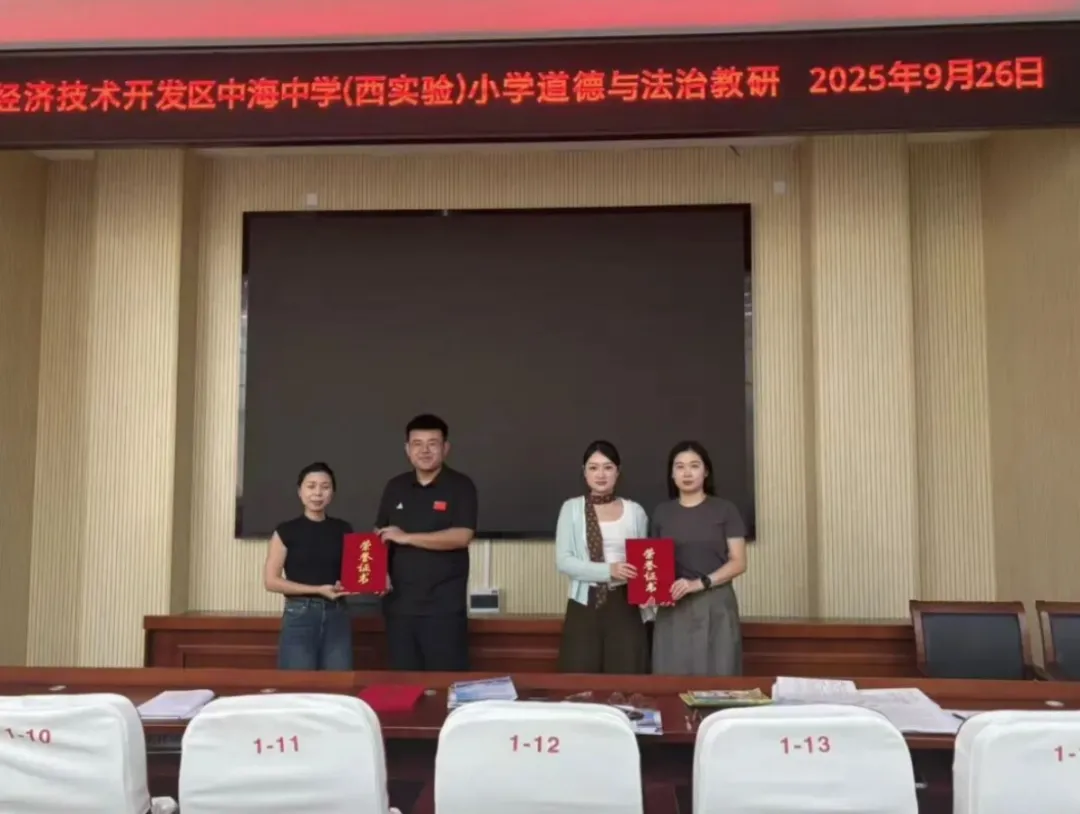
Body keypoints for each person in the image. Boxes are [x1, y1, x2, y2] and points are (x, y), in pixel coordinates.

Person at [375, 414, 478, 671]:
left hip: (443, 608)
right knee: (403, 682)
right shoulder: (395, 486)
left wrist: (407, 537)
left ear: (446, 448)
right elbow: (380, 533)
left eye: (432, 443)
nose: (424, 450)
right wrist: (378, 572)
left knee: (444, 682)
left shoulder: (461, 486)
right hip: (399, 606)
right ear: (407, 449)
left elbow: (462, 536)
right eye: (417, 444)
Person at [650, 441, 748, 676]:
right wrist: (650, 593)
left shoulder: (725, 510)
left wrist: (699, 583)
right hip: (674, 605)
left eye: (694, 466)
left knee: (718, 675)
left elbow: (739, 562)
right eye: (680, 466)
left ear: (706, 472)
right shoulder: (662, 513)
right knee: (671, 675)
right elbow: (653, 561)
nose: (687, 473)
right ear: (672, 474)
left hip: (715, 602)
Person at [555, 440, 650, 673]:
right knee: (581, 677)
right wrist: (609, 570)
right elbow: (564, 561)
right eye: (593, 467)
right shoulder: (571, 509)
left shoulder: (635, 511)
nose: (601, 474)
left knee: (626, 675)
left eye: (608, 467)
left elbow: (645, 561)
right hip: (585, 602)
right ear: (584, 471)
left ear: (618, 471)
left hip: (625, 602)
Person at [262, 461, 355, 671]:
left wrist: (353, 584)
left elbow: (354, 574)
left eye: (325, 487)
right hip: (299, 615)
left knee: (338, 684)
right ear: (300, 491)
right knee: (298, 684)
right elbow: (271, 581)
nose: (317, 493)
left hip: (337, 614)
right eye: (311, 486)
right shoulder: (285, 531)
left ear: (332, 493)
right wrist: (318, 590)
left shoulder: (344, 529)